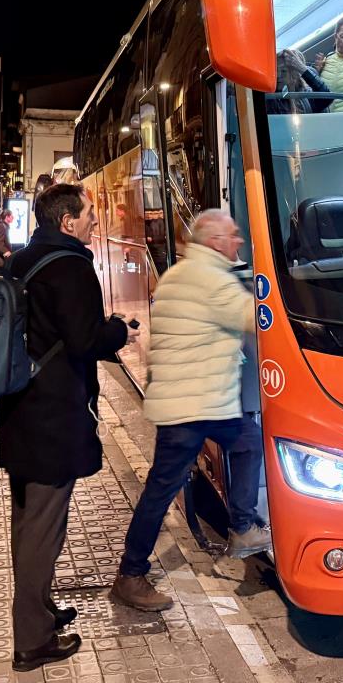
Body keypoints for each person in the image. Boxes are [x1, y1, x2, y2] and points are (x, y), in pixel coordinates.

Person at [0, 183, 130, 672]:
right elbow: (84, 339)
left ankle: (42, 610)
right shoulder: (71, 266)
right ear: (68, 221)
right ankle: (31, 638)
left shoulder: (22, 261)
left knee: (28, 517)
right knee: (42, 527)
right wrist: (118, 330)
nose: (96, 219)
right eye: (90, 213)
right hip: (52, 410)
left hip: (19, 405)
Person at [111, 209, 269, 613]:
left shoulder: (179, 273)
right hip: (198, 405)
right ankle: (133, 572)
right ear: (214, 241)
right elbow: (257, 319)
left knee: (165, 486)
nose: (237, 242)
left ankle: (242, 528)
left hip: (182, 401)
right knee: (246, 445)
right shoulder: (212, 279)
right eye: (232, 236)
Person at [270, 49, 330, 115]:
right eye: (276, 71)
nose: (278, 76)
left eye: (284, 71)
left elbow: (327, 98)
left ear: (295, 74)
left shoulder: (307, 96)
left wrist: (301, 68)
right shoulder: (273, 98)